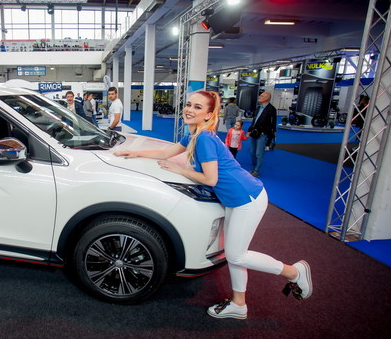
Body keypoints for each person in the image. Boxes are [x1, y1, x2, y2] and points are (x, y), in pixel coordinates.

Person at [113, 90, 312, 320]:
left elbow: (211, 179)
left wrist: (181, 170)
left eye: (198, 107)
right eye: (188, 104)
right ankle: (239, 304)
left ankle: (294, 272)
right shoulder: (195, 135)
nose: (189, 109)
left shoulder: (205, 138)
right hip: (236, 198)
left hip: (246, 198)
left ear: (209, 115)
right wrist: (133, 152)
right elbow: (166, 152)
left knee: (236, 255)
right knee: (235, 253)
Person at [247, 91, 276, 177]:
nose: (259, 97)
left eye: (262, 96)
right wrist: (249, 130)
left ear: (267, 98)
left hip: (263, 134)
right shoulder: (258, 108)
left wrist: (269, 134)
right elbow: (254, 120)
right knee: (252, 152)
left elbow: (273, 123)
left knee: (259, 153)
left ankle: (256, 171)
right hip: (254, 132)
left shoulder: (271, 109)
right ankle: (253, 168)